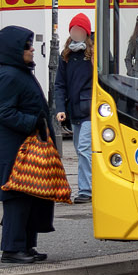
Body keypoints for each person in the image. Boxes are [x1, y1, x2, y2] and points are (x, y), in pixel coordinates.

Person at [0, 26, 55, 265]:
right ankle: (12, 248)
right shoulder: (8, 75)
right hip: (16, 148)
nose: (32, 50)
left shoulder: (19, 72)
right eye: (27, 46)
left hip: (27, 146)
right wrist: (32, 122)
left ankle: (27, 244)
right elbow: (3, 112)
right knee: (17, 196)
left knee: (30, 193)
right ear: (14, 49)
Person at [53, 14, 95, 204]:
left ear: (86, 32)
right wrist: (60, 108)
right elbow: (60, 84)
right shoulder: (66, 55)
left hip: (90, 110)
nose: (75, 33)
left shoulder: (94, 53)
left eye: (79, 30)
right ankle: (92, 185)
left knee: (84, 148)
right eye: (73, 30)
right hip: (75, 110)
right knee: (80, 149)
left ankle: (86, 190)